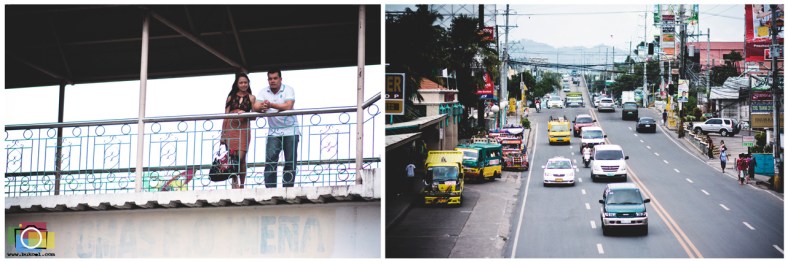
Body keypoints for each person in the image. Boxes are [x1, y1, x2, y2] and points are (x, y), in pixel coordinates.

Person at [254, 69, 300, 188]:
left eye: (275, 78)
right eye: (270, 79)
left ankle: (288, 189)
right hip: (273, 132)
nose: (272, 81)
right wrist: (261, 107)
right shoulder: (264, 91)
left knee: (290, 162)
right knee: (270, 161)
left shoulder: (288, 89)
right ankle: (270, 190)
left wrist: (271, 105)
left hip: (291, 130)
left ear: (280, 79)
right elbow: (255, 107)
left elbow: (289, 106)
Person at [221, 73, 255, 189]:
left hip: (244, 128)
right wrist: (223, 134)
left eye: (245, 82)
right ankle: (234, 183)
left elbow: (254, 116)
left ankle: (242, 184)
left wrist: (245, 113)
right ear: (237, 84)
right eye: (241, 82)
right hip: (231, 127)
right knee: (232, 157)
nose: (243, 84)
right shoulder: (230, 97)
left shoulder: (251, 97)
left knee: (241, 157)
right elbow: (225, 116)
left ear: (248, 83)